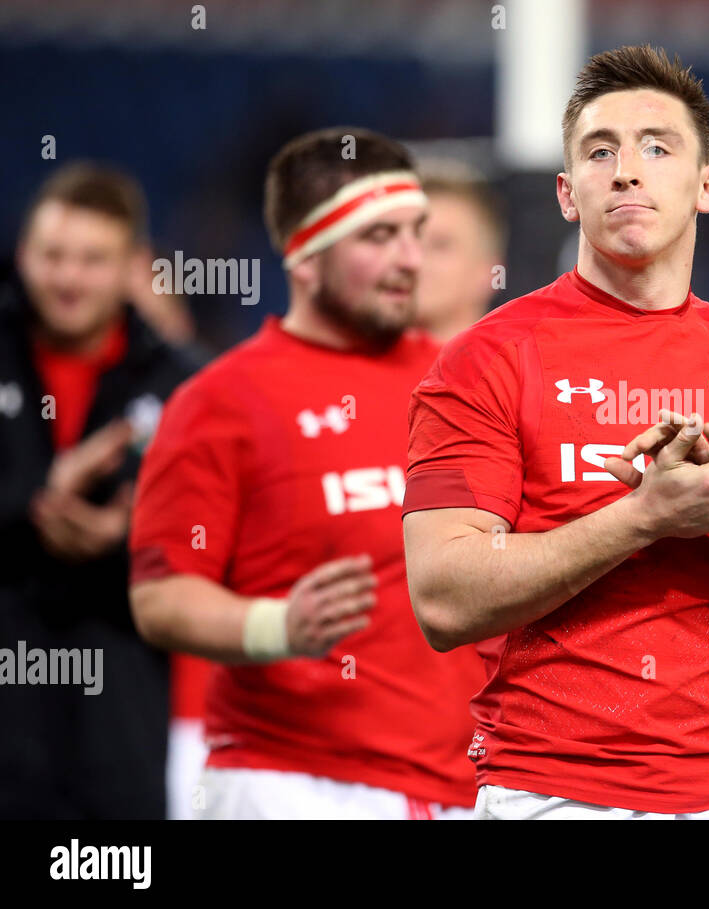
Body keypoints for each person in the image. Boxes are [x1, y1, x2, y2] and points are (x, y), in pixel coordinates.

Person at [402, 45, 709, 820]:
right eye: (601, 152)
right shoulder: (488, 358)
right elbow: (443, 598)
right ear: (567, 194)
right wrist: (643, 517)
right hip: (552, 790)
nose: (627, 170)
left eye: (657, 147)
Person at [128, 127, 483, 819]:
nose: (411, 259)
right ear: (306, 257)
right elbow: (161, 597)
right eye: (378, 237)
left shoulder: (461, 382)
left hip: (460, 790)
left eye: (417, 232)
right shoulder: (220, 401)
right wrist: (278, 626)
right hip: (290, 783)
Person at [0, 163, 196, 818]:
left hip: (121, 715)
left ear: (133, 265)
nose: (68, 277)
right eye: (52, 254)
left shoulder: (183, 383)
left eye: (92, 258)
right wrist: (33, 500)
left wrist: (130, 534)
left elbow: (217, 540)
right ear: (23, 251)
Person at [414, 164, 506, 342]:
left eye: (440, 245)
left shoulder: (528, 366)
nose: (414, 258)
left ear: (489, 271)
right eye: (408, 241)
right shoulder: (348, 366)